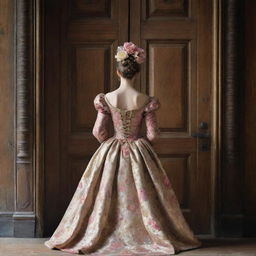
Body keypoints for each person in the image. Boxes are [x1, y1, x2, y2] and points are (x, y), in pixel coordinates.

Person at [44, 42, 202, 255]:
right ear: (136, 72)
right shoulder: (146, 100)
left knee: (103, 195)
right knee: (146, 196)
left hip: (113, 148)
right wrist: (140, 146)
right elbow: (154, 134)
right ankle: (145, 234)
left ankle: (103, 234)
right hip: (139, 150)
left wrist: (109, 146)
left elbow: (98, 131)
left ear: (117, 72)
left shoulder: (107, 99)